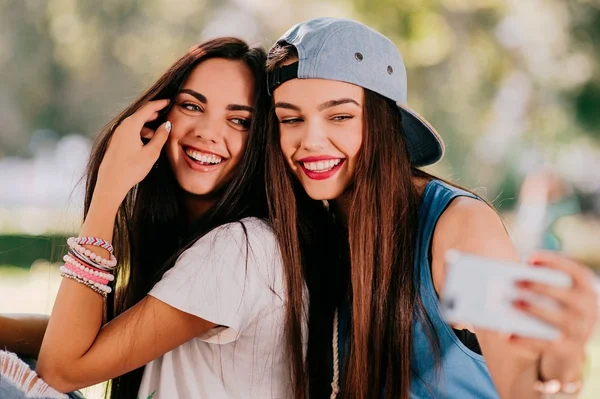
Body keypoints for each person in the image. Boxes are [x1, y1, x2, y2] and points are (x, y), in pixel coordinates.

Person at [264, 17, 599, 399]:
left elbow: (521, 382)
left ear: (383, 122)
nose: (310, 140)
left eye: (340, 116)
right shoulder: (314, 229)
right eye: (290, 119)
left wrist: (562, 364)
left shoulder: (457, 227)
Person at [0, 37, 292, 399]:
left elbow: (61, 369)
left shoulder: (242, 249)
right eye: (192, 106)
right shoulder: (200, 245)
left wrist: (109, 190)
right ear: (159, 116)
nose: (207, 132)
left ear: (261, 139)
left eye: (238, 120)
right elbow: (79, 337)